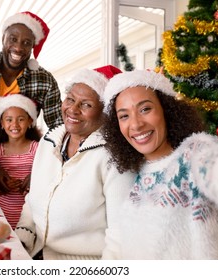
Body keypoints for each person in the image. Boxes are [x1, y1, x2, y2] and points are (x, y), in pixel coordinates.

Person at [101, 69, 218, 259]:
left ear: (167, 110)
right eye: (124, 116)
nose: (136, 125)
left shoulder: (195, 153)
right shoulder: (138, 174)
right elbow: (118, 245)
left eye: (145, 109)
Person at [15, 65, 135, 260]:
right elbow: (32, 199)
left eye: (86, 104)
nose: (72, 109)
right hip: (35, 251)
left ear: (106, 112)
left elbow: (120, 235)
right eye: (70, 99)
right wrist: (21, 239)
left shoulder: (115, 156)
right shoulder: (49, 141)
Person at [0, 11, 63, 149]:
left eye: (26, 43)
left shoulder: (45, 80)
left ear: (33, 46)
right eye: (13, 39)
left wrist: (50, 154)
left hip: (23, 147)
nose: (18, 48)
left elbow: (57, 125)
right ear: (3, 38)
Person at [0, 94, 41, 229]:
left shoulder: (37, 148)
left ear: (30, 121)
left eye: (21, 119)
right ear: (2, 123)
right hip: (2, 212)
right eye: (9, 120)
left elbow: (46, 173)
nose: (15, 125)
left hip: (30, 214)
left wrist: (34, 178)